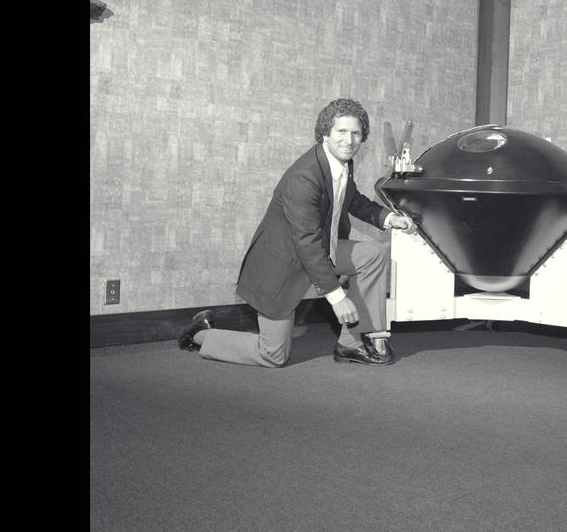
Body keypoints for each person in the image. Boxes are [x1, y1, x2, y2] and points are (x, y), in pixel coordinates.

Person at [176, 98, 417, 367]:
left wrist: (389, 218)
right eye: (341, 132)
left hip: (320, 251)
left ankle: (350, 343)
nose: (349, 140)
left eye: (355, 133)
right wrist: (337, 297)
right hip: (282, 268)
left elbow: (352, 199)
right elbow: (307, 241)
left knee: (372, 253)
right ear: (325, 133)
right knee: (273, 355)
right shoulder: (304, 177)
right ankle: (200, 333)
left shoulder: (341, 163)